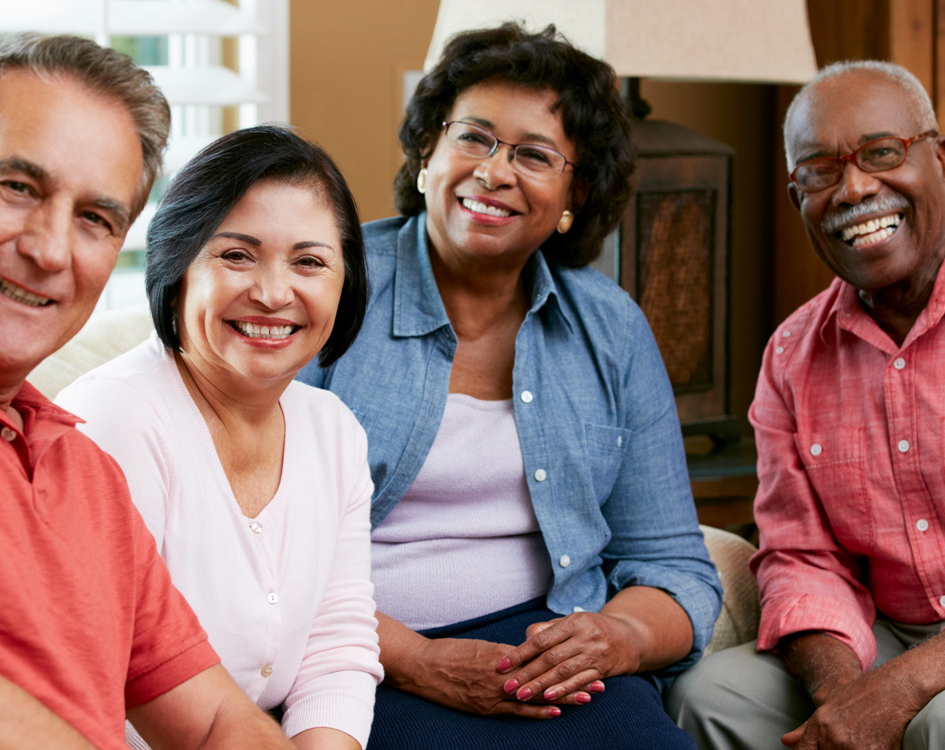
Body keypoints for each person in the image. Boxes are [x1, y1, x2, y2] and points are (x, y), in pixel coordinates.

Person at [298, 22, 721, 750]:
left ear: (573, 195)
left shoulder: (610, 329)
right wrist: (415, 659)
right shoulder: (328, 284)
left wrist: (614, 637)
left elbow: (675, 564)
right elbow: (252, 548)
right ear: (428, 152)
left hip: (550, 655)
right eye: (474, 138)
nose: (494, 172)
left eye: (533, 155)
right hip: (360, 651)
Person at [0, 33, 295, 748]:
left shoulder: (87, 474)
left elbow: (218, 722)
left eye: (95, 220)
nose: (49, 250)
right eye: (18, 187)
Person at [56, 124, 382, 750]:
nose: (272, 293)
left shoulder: (333, 429)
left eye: (310, 261)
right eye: (236, 255)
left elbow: (336, 646)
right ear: (177, 265)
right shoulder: (116, 419)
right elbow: (99, 684)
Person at [667, 60, 945, 750]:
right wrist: (846, 698)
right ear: (798, 200)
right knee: (712, 699)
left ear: (939, 158)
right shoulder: (792, 356)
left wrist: (905, 687)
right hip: (883, 629)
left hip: (925, 669)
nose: (854, 188)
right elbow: (800, 556)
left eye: (882, 153)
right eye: (819, 173)